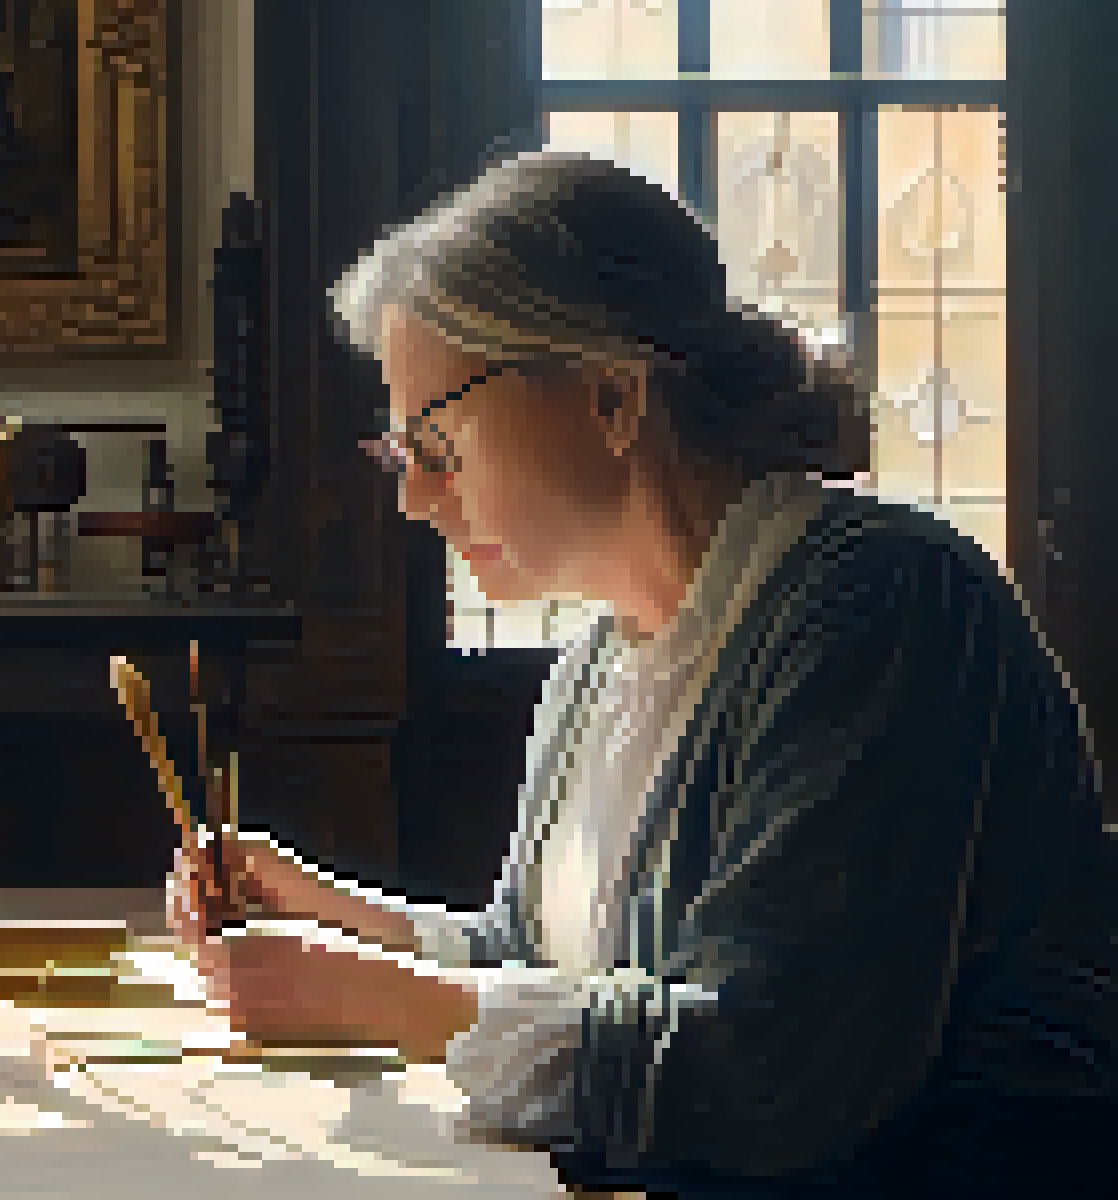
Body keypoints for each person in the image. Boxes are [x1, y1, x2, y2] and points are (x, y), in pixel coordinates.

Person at [167, 150, 1118, 1197]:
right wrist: (339, 917)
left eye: (437, 440)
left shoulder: (883, 602)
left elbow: (773, 1077)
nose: (416, 499)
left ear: (612, 398)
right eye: (402, 453)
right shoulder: (597, 668)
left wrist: (387, 999)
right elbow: (546, 972)